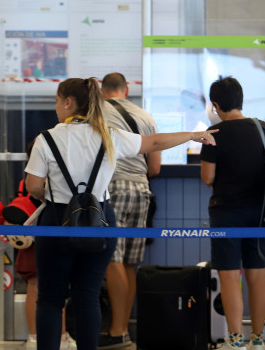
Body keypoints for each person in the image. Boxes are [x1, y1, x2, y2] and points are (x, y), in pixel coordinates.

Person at [24, 77, 215, 350]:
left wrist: (52, 197)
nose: (55, 106)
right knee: (87, 296)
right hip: (100, 219)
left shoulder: (46, 139)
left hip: (57, 222)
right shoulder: (109, 135)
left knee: (51, 298)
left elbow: (33, 186)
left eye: (57, 100)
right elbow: (155, 143)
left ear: (68, 102)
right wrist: (194, 135)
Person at [199, 76, 265, 350]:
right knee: (258, 274)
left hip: (226, 213)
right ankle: (259, 338)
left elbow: (208, 178)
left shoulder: (213, 134)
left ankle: (236, 340)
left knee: (230, 276)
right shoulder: (262, 128)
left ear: (216, 105)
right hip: (261, 213)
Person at [98, 72, 160, 349]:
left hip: (113, 190)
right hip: (142, 192)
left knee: (113, 259)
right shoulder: (145, 116)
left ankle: (118, 331)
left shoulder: (97, 111)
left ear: (102, 91)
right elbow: (154, 168)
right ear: (126, 89)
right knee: (130, 263)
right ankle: (123, 330)